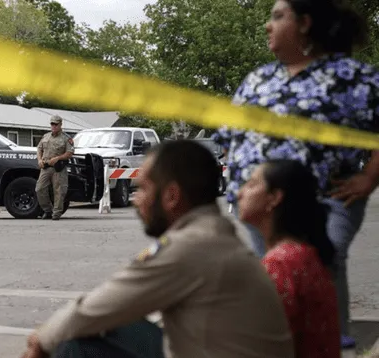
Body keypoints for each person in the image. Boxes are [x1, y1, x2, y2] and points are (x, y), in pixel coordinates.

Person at [21, 140, 294, 358]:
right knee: (98, 327)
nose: (136, 200)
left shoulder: (193, 246)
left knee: (74, 341)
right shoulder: (211, 234)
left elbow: (94, 309)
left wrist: (42, 339)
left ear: (171, 196)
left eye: (142, 189)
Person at [212, 0, 379, 345]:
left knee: (321, 262)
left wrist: (370, 176)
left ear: (304, 22)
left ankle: (331, 343)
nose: (267, 26)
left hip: (327, 199)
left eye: (277, 16)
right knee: (274, 274)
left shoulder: (355, 77)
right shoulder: (258, 79)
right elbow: (228, 136)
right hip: (260, 203)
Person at [237, 159, 340, 358]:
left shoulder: (281, 265)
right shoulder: (302, 255)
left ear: (274, 198)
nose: (240, 193)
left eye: (251, 185)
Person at [36, 115, 74, 221]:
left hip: (58, 168)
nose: (53, 126)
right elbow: (39, 149)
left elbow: (69, 153)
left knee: (59, 191)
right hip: (45, 167)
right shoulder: (46, 136)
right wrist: (39, 160)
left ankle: (56, 213)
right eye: (52, 124)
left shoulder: (66, 138)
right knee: (39, 188)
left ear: (60, 125)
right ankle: (48, 210)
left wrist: (58, 158)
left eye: (56, 124)